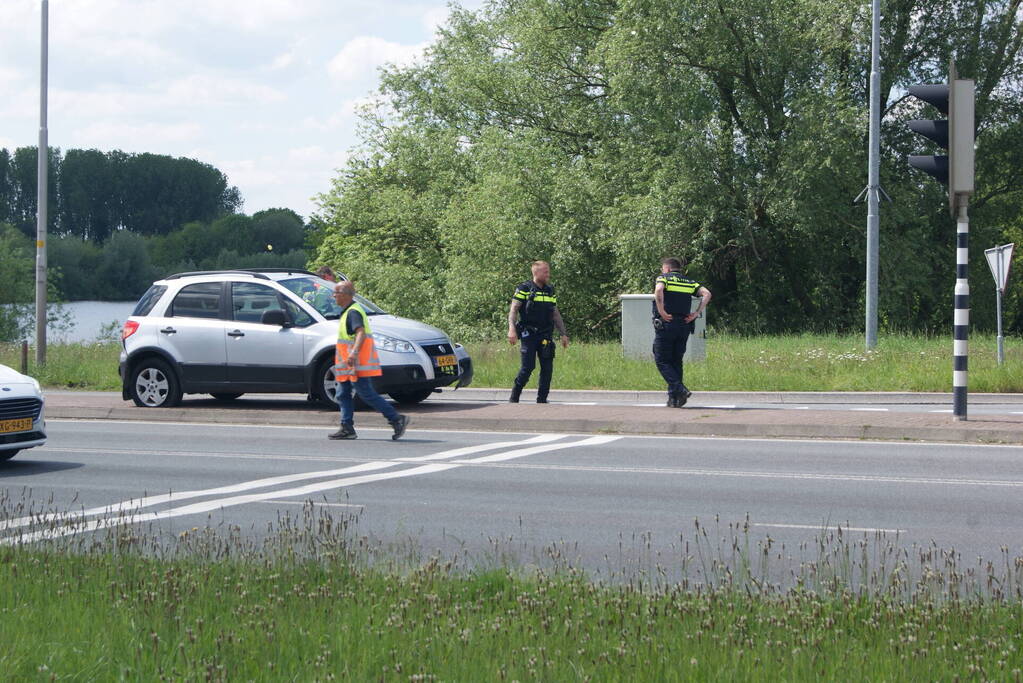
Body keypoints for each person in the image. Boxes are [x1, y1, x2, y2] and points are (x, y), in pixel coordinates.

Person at [328, 281, 410, 440]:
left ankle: (396, 418)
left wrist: (354, 353)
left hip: (356, 362)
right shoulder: (348, 311)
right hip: (347, 363)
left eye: (335, 293)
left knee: (365, 393)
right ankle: (347, 427)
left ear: (344, 295)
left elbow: (360, 333)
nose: (334, 296)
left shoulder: (353, 312)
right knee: (342, 393)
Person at [506, 260, 569, 403]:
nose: (548, 274)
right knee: (528, 367)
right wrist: (512, 329)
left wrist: (563, 334)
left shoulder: (549, 290)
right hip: (529, 334)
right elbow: (514, 310)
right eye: (545, 271)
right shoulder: (524, 288)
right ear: (536, 272)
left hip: (545, 334)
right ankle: (514, 396)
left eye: (548, 271)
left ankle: (542, 400)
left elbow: (555, 313)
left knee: (547, 368)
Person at [653, 257, 712, 408]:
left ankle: (680, 389)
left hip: (667, 323)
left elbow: (659, 290)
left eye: (662, 269)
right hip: (684, 325)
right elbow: (707, 294)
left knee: (662, 359)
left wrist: (662, 311)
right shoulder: (690, 282)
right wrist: (696, 312)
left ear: (667, 269)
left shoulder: (664, 278)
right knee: (676, 360)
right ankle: (675, 399)